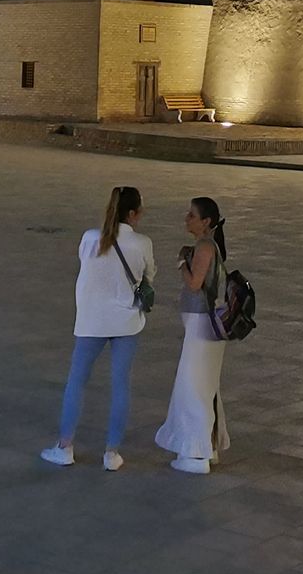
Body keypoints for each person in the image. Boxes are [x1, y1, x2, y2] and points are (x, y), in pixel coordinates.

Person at [42, 186, 155, 472]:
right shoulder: (142, 243)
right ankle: (112, 453)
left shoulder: (90, 238)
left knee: (77, 381)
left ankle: (65, 446)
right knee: (121, 385)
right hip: (126, 322)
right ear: (133, 213)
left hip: (91, 321)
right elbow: (149, 276)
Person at [155, 195, 232, 474]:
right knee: (204, 385)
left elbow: (194, 283)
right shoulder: (209, 246)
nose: (186, 219)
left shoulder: (205, 246)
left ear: (206, 221)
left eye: (192, 215)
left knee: (192, 387)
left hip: (201, 324)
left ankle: (195, 454)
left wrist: (181, 263)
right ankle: (207, 447)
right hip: (205, 325)